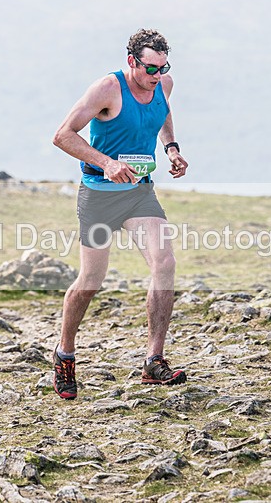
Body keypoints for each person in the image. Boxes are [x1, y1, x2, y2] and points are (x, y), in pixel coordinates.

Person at [51, 28, 189, 400]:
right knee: (91, 280)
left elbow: (162, 114)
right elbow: (63, 135)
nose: (157, 76)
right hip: (99, 196)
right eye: (150, 68)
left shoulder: (163, 85)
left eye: (163, 68)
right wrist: (107, 163)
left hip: (139, 193)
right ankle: (65, 354)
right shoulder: (107, 89)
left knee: (164, 263)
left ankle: (154, 360)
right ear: (132, 61)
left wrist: (172, 148)